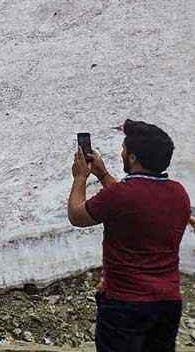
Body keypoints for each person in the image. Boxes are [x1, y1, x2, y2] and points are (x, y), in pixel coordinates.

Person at [67, 119, 190, 352]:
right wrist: (102, 175)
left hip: (124, 305)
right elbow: (137, 200)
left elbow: (77, 215)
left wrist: (81, 177)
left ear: (133, 157)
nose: (121, 152)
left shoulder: (121, 196)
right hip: (167, 303)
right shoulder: (179, 193)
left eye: (124, 149)